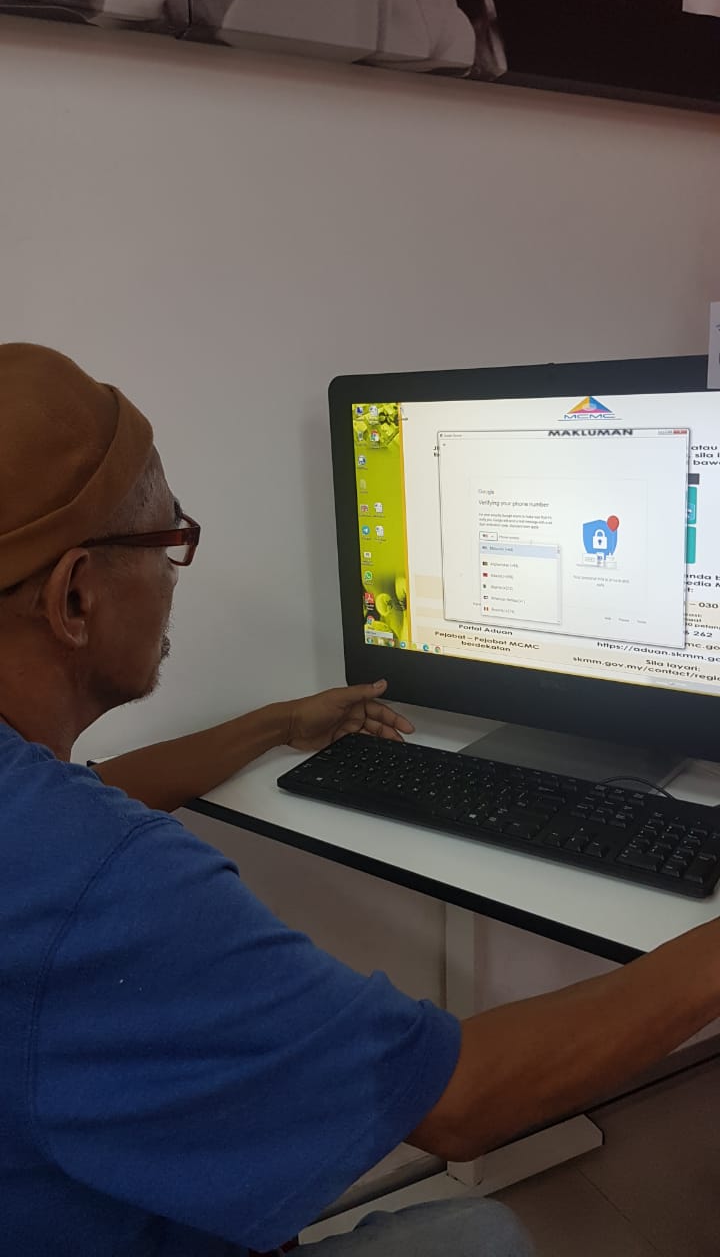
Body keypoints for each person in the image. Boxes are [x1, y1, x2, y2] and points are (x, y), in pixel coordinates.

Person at [1, 344, 720, 1257]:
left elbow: (75, 807)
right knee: (486, 1237)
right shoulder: (104, 885)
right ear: (75, 597)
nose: (177, 572)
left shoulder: (35, 831)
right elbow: (460, 1103)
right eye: (168, 540)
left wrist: (275, 723)